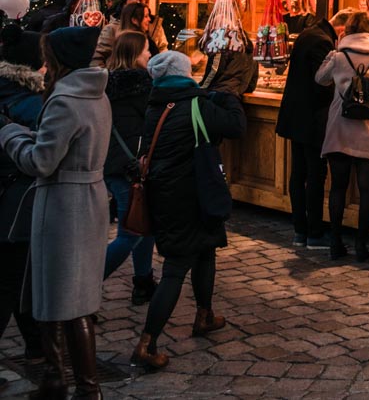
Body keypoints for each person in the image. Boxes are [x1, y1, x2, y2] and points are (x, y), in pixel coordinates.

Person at [0, 25, 110, 400]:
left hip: (64, 204)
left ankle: (82, 386)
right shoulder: (95, 94)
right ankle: (59, 378)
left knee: (65, 298)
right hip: (87, 199)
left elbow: (42, 162)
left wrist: (9, 134)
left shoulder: (65, 100)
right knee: (67, 296)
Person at [131, 49, 246, 372]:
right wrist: (229, 95)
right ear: (185, 74)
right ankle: (146, 342)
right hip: (193, 193)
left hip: (167, 192)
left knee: (206, 249)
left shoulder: (157, 104)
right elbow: (236, 126)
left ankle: (204, 314)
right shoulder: (196, 104)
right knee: (176, 268)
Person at [315, 10, 369, 262]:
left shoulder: (339, 56)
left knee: (338, 188)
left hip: (340, 129)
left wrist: (333, 58)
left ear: (347, 30)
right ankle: (361, 245)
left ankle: (335, 242)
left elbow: (320, 79)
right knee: (367, 189)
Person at [275, 13, 342, 248]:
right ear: (340, 29)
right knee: (315, 174)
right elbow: (321, 81)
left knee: (298, 173)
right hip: (312, 116)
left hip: (296, 115)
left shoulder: (308, 34)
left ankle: (299, 230)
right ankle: (314, 232)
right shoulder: (323, 41)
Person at [0, 24, 44, 371]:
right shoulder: (32, 102)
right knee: (13, 279)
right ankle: (36, 346)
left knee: (17, 276)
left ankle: (36, 345)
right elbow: (40, 157)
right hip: (17, 201)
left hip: (8, 196)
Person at [103, 30, 156, 303]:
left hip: (112, 163)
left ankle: (143, 280)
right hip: (131, 166)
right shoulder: (143, 86)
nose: (150, 54)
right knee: (130, 232)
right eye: (146, 50)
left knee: (141, 221)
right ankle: (85, 284)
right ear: (136, 54)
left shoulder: (106, 83)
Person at [92, 0, 165, 70]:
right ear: (134, 20)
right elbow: (98, 58)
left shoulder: (147, 39)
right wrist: (105, 77)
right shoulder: (113, 31)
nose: (149, 19)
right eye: (146, 16)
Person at [199, 27, 259, 96]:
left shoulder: (223, 50)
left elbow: (214, 72)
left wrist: (200, 88)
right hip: (234, 97)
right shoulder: (253, 56)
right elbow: (251, 86)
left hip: (217, 94)